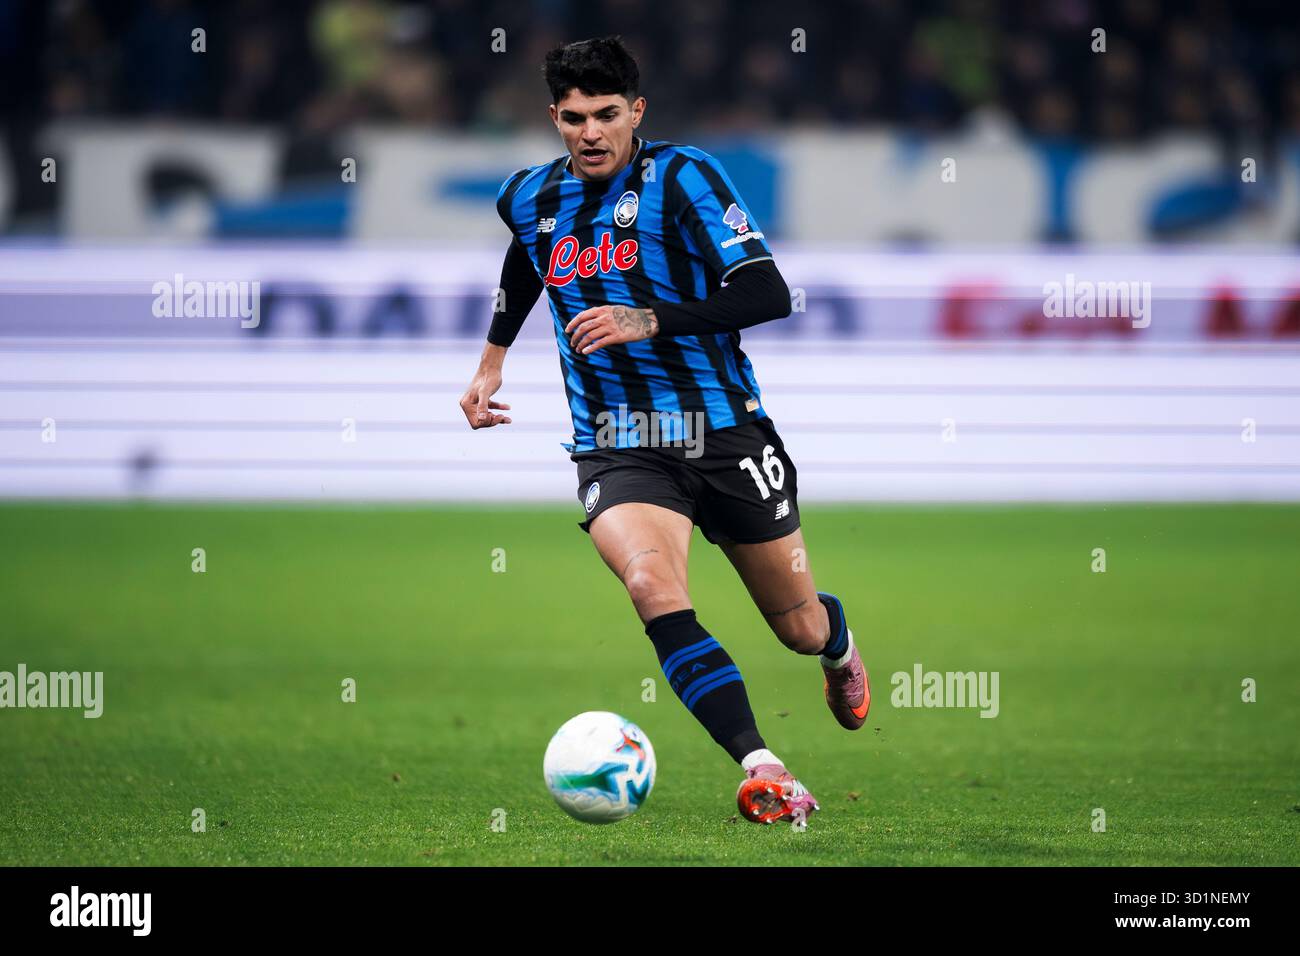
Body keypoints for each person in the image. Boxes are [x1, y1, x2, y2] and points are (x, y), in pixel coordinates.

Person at [458, 36, 869, 824]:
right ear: (554, 117)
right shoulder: (530, 195)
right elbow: (527, 258)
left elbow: (768, 292)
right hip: (620, 439)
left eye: (607, 115)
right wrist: (491, 360)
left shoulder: (685, 178)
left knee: (795, 626)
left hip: (723, 432)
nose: (590, 133)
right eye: (573, 118)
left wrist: (647, 319)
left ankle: (837, 639)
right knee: (651, 587)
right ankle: (765, 767)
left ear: (636, 111)